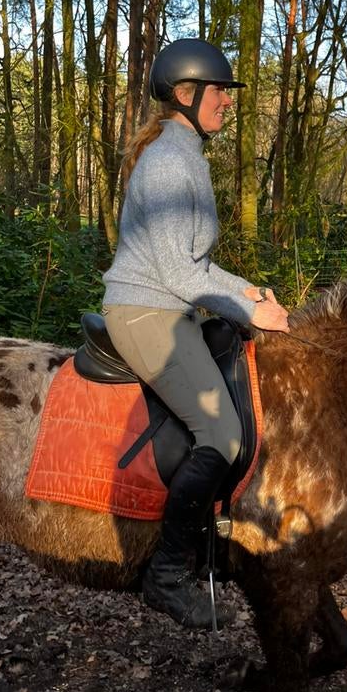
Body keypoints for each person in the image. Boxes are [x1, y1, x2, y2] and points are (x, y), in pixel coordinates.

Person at [102, 38, 290, 630]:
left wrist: (248, 292)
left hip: (172, 306)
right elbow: (173, 271)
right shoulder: (167, 162)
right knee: (222, 431)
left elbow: (197, 265)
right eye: (220, 93)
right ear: (186, 94)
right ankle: (168, 573)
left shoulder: (185, 153)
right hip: (143, 311)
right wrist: (244, 309)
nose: (228, 103)